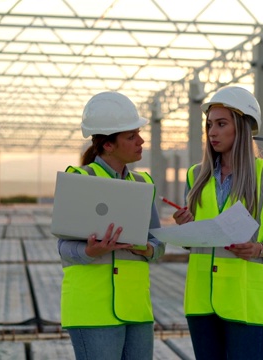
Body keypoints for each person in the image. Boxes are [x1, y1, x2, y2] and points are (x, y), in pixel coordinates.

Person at [172, 86, 263, 360]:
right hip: (202, 301)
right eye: (210, 125)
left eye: (221, 124)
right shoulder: (195, 177)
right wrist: (185, 230)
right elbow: (196, 245)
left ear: (242, 128)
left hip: (246, 301)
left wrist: (256, 249)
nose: (212, 132)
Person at [57, 91, 165, 360]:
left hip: (136, 309)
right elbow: (63, 248)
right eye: (131, 137)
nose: (141, 141)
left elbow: (159, 245)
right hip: (92, 310)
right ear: (108, 145)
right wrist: (90, 252)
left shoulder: (142, 185)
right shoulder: (80, 179)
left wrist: (147, 250)